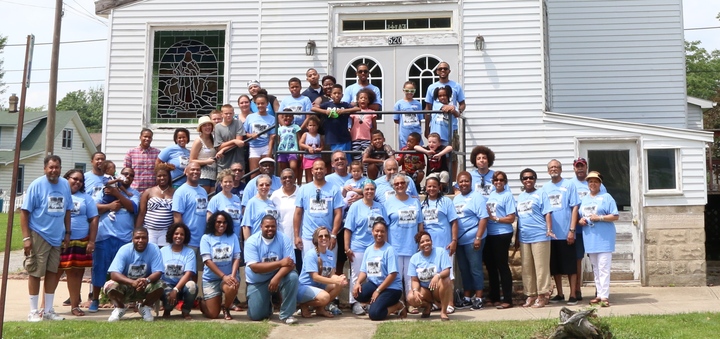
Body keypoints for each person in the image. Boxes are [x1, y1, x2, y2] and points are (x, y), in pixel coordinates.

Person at [21, 155, 74, 321]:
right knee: (36, 272)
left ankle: (49, 310)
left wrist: (67, 233)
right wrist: (26, 238)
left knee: (52, 272)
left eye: (57, 167)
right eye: (51, 167)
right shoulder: (37, 185)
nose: (54, 170)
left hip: (57, 236)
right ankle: (33, 311)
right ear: (45, 168)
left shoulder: (65, 184)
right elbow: (24, 212)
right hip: (39, 233)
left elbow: (67, 211)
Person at [89, 167, 140, 313]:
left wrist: (118, 193)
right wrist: (109, 206)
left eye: (131, 175)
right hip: (104, 236)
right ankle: (95, 299)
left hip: (124, 238)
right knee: (99, 268)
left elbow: (132, 208)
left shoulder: (134, 194)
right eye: (125, 174)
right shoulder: (105, 189)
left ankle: (126, 300)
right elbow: (94, 207)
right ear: (119, 175)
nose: (128, 176)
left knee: (125, 271)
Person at [55, 169, 99, 317]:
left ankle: (74, 306)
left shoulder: (86, 198)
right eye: (74, 179)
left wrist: (91, 241)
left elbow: (94, 218)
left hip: (80, 241)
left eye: (80, 181)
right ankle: (45, 306)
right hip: (59, 240)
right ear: (67, 178)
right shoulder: (58, 195)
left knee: (76, 274)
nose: (77, 182)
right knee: (54, 272)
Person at [344, 179, 389, 315]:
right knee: (357, 276)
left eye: (372, 189)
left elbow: (385, 227)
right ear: (362, 191)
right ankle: (355, 302)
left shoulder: (380, 206)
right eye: (367, 189)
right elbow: (348, 228)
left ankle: (369, 302)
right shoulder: (355, 206)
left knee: (374, 275)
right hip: (359, 246)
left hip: (376, 247)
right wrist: (347, 247)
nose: (369, 191)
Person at [245, 215, 299, 324]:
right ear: (261, 227)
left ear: (276, 226)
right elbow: (255, 267)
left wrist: (276, 278)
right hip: (258, 281)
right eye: (267, 226)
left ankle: (286, 315)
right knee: (257, 316)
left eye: (273, 226)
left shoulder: (284, 239)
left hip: (278, 276)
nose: (270, 229)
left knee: (293, 277)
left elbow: (290, 264)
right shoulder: (252, 241)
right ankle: (267, 305)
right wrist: (280, 262)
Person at [104, 227, 164, 322]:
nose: (140, 240)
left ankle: (145, 307)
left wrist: (146, 280)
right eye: (137, 238)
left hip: (145, 285)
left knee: (160, 285)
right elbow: (114, 274)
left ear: (148, 239)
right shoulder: (124, 249)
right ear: (132, 239)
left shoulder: (154, 248)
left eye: (144, 238)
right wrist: (132, 282)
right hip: (127, 285)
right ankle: (120, 307)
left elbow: (158, 272)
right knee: (110, 286)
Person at [578, 171, 618, 307]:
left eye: (595, 181)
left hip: (604, 238)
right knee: (595, 267)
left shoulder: (607, 197)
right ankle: (599, 294)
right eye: (590, 181)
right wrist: (581, 220)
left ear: (600, 183)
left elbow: (615, 215)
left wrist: (600, 218)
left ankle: (605, 296)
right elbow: (581, 216)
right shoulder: (585, 199)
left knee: (604, 268)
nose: (592, 184)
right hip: (590, 238)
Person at [515, 168, 555, 308]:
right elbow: (519, 218)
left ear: (535, 179)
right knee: (527, 268)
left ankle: (542, 295)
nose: (528, 180)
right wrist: (517, 238)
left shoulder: (541, 194)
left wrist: (549, 230)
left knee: (541, 267)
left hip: (540, 235)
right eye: (525, 178)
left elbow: (547, 213)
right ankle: (531, 295)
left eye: (531, 177)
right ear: (522, 181)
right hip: (525, 237)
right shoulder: (520, 197)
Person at [384, 174, 423, 314]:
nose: (400, 185)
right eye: (397, 184)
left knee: (411, 277)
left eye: (402, 183)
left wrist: (420, 242)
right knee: (396, 278)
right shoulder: (388, 203)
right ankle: (399, 304)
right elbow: (385, 226)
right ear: (393, 186)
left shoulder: (415, 202)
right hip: (395, 246)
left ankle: (411, 303)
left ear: (407, 185)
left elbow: (420, 224)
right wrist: (386, 246)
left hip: (412, 245)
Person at [543, 159, 580, 305]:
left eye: (556, 167)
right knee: (555, 267)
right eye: (551, 167)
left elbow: (575, 208)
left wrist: (572, 230)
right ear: (548, 171)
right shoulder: (544, 188)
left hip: (566, 233)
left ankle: (572, 294)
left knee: (570, 266)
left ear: (561, 169)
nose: (554, 169)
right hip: (551, 235)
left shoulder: (569, 184)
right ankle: (560, 294)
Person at [352, 219, 406, 321]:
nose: (379, 234)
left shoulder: (389, 250)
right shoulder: (368, 250)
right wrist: (358, 282)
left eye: (382, 231)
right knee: (357, 293)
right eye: (377, 231)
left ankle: (397, 305)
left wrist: (378, 291)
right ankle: (376, 303)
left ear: (386, 233)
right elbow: (364, 270)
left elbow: (392, 274)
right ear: (372, 232)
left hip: (391, 288)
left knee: (375, 314)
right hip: (375, 284)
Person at [570, 157, 607, 301]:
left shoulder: (598, 185)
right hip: (578, 229)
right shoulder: (570, 184)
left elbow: (605, 204)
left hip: (594, 230)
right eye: (577, 166)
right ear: (574, 168)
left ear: (586, 167)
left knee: (596, 261)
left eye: (582, 166)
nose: (580, 169)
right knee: (578, 259)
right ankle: (577, 290)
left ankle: (600, 290)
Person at [452, 171, 488, 310]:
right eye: (461, 181)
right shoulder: (456, 199)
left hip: (474, 239)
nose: (463, 184)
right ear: (457, 183)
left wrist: (478, 237)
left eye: (466, 181)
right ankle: (467, 296)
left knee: (475, 268)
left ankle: (478, 297)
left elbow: (483, 218)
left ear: (471, 182)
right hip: (460, 240)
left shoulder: (477, 197)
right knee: (464, 269)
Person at [294, 160, 344, 258]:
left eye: (321, 168)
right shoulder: (303, 189)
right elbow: (298, 213)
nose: (319, 171)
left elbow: (338, 213)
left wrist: (333, 235)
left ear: (326, 170)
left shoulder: (334, 189)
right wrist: (296, 236)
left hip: (328, 237)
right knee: (310, 269)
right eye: (316, 169)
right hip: (309, 238)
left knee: (328, 269)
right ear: (312, 171)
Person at [424, 62, 465, 176]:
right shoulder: (431, 87)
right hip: (436, 129)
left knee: (452, 156)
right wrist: (427, 127)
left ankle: (451, 182)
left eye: (445, 68)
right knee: (436, 154)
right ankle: (436, 181)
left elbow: (462, 104)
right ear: (437, 71)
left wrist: (457, 110)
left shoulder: (456, 86)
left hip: (452, 128)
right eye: (440, 69)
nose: (443, 70)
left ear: (449, 71)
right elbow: (428, 108)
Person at [297, 227, 348, 318]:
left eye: (326, 236)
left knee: (339, 285)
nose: (324, 238)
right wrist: (334, 281)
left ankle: (320, 309)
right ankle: (304, 304)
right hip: (305, 286)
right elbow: (315, 277)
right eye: (320, 236)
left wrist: (340, 279)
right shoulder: (311, 254)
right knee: (325, 297)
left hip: (319, 286)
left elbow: (332, 275)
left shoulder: (330, 254)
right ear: (316, 239)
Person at [200, 211, 242, 319]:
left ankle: (226, 307)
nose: (222, 225)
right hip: (211, 279)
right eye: (218, 222)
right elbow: (207, 261)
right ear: (213, 223)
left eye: (224, 222)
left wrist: (232, 276)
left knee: (232, 286)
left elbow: (236, 257)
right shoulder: (206, 238)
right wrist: (223, 276)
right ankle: (201, 302)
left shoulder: (232, 237)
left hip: (229, 276)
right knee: (213, 315)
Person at [484, 170, 516, 309]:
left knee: (502, 266)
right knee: (491, 267)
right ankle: (494, 297)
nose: (498, 182)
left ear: (505, 182)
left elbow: (511, 218)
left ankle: (508, 299)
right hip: (490, 234)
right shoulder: (491, 195)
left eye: (501, 180)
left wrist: (495, 218)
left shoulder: (507, 195)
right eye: (496, 180)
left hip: (502, 234)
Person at [406, 231, 453, 321]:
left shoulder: (440, 252)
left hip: (438, 289)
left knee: (446, 280)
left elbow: (447, 271)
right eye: (422, 242)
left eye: (428, 240)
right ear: (418, 245)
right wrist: (415, 290)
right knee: (410, 297)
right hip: (425, 290)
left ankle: (443, 312)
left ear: (431, 241)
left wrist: (438, 276)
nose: (425, 243)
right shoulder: (414, 258)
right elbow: (414, 280)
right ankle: (428, 306)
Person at [172, 162, 209, 272]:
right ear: (186, 172)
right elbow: (177, 216)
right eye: (192, 169)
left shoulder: (203, 191)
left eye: (198, 170)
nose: (195, 172)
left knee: (199, 272)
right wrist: (183, 238)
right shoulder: (181, 192)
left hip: (201, 240)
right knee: (187, 272)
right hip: (188, 241)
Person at [311, 84, 358, 163]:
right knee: (337, 159)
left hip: (345, 137)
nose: (337, 95)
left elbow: (357, 108)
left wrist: (344, 111)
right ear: (331, 95)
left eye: (339, 93)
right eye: (335, 93)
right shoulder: (327, 105)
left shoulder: (345, 105)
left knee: (347, 159)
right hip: (333, 138)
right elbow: (313, 108)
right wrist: (325, 112)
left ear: (342, 95)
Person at [159, 223, 197, 319]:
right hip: (167, 285)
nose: (178, 236)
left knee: (192, 286)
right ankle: (167, 310)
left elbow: (188, 273)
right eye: (176, 233)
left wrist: (175, 290)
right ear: (171, 234)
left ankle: (185, 311)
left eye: (182, 234)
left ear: (185, 237)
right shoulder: (163, 251)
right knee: (168, 300)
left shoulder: (189, 252)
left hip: (182, 286)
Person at [271, 168, 303, 272]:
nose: (287, 179)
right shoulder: (275, 195)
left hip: (300, 240)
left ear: (295, 178)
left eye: (290, 177)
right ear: (280, 180)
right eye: (284, 178)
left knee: (300, 270)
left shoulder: (302, 192)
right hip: (282, 241)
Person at [136, 164, 175, 246]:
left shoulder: (175, 193)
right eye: (159, 176)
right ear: (155, 177)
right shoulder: (148, 192)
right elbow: (141, 213)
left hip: (166, 231)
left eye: (164, 175)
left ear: (169, 176)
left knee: (163, 255)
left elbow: (176, 215)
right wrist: (137, 231)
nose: (162, 178)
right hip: (150, 231)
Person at [244, 92, 277, 174]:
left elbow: (272, 137)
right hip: (254, 147)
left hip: (266, 147)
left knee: (266, 173)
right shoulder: (250, 117)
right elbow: (244, 133)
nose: (260, 105)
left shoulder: (272, 119)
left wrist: (269, 152)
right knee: (254, 174)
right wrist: (251, 135)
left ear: (267, 104)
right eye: (258, 104)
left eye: (262, 103)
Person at [208, 169, 243, 237]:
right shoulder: (215, 199)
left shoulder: (237, 199)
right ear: (221, 183)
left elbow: (239, 220)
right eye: (225, 182)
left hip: (236, 237)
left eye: (230, 182)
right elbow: (209, 220)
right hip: (221, 237)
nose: (228, 184)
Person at [124, 128, 161, 193]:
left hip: (152, 191)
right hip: (135, 190)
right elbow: (126, 172)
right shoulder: (131, 152)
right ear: (140, 137)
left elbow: (160, 171)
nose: (147, 139)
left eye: (149, 137)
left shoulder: (157, 153)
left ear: (151, 139)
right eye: (145, 136)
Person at [190, 115, 218, 194]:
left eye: (209, 125)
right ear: (201, 128)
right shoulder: (198, 141)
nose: (207, 127)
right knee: (202, 198)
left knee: (211, 198)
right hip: (202, 174)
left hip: (213, 174)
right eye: (204, 125)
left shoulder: (214, 139)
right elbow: (191, 160)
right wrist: (206, 162)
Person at [215, 103, 247, 172]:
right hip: (223, 164)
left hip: (238, 162)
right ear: (222, 114)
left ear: (233, 113)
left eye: (230, 113)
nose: (228, 115)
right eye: (226, 113)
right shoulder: (217, 127)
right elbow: (219, 147)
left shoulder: (238, 123)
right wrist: (233, 141)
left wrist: (223, 150)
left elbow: (239, 142)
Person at [393, 81, 424, 149]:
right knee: (405, 150)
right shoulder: (399, 104)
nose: (409, 92)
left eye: (412, 90)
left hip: (416, 131)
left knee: (418, 150)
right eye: (407, 90)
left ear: (415, 91)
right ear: (403, 90)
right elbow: (396, 119)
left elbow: (419, 119)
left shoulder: (418, 104)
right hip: (404, 132)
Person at [351, 89, 379, 163]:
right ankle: (357, 173)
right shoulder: (354, 112)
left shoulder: (371, 112)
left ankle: (365, 174)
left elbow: (374, 127)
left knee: (366, 158)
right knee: (357, 158)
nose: (363, 99)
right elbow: (352, 124)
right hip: (355, 138)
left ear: (368, 101)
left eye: (365, 98)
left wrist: (373, 138)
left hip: (367, 139)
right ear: (358, 100)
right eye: (361, 98)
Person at [299, 115, 324, 183]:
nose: (312, 127)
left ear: (317, 126)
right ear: (307, 126)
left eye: (314, 125)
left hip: (317, 158)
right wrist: (308, 147)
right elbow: (301, 143)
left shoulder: (319, 136)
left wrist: (320, 149)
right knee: (308, 176)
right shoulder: (305, 134)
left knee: (318, 173)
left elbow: (322, 146)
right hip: (308, 158)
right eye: (310, 125)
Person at [276, 112, 301, 176]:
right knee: (283, 169)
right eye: (286, 116)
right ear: (282, 117)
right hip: (282, 151)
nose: (288, 118)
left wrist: (300, 151)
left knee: (293, 167)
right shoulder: (279, 129)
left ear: (293, 117)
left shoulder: (296, 127)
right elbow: (278, 140)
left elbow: (299, 139)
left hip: (293, 150)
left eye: (290, 116)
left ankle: (294, 183)